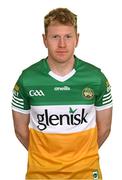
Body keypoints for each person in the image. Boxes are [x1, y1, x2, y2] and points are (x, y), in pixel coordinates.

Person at [12, 7, 113, 180]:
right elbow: (20, 131)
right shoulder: (27, 79)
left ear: (77, 39)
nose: (62, 44)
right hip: (40, 174)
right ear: (44, 40)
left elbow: (105, 129)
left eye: (68, 36)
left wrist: (81, 157)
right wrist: (44, 158)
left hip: (86, 173)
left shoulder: (96, 78)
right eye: (55, 37)